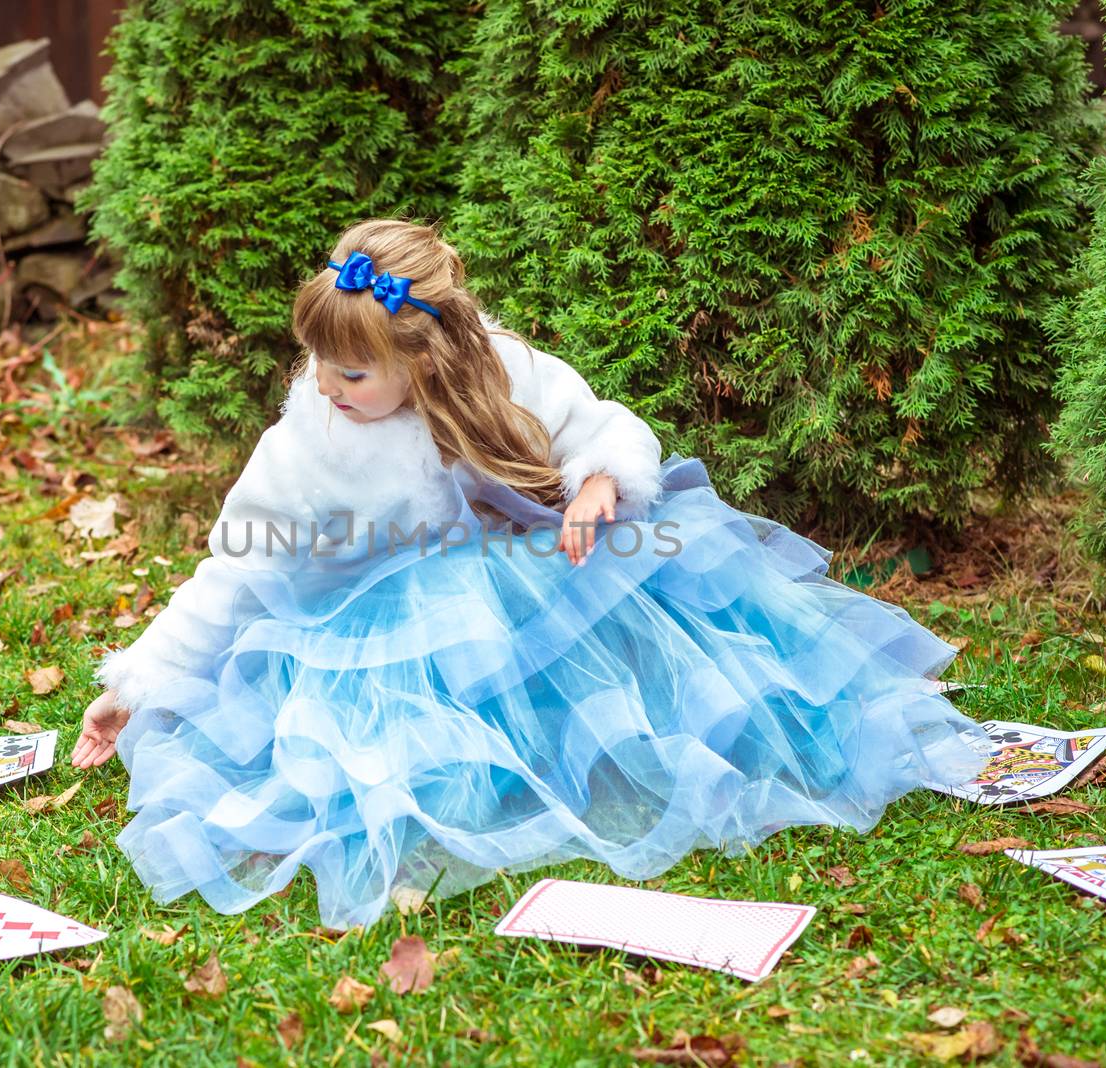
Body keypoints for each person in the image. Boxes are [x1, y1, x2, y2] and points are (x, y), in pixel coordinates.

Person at [70, 218, 988, 929]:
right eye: (318, 363)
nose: (324, 386)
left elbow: (603, 425)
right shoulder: (305, 445)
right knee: (406, 753)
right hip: (390, 620)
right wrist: (139, 684)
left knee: (646, 583)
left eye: (349, 372)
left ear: (420, 354)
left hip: (529, 573)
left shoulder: (496, 365)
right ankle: (476, 775)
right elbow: (230, 570)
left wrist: (598, 485)